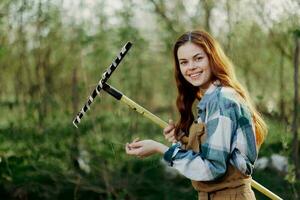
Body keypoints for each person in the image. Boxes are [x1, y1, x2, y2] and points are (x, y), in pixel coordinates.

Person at [125, 30, 267, 200]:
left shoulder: (221, 101)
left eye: (198, 58)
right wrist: (182, 140)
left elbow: (211, 168)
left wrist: (159, 148)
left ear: (212, 58)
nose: (191, 67)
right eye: (184, 62)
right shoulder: (210, 100)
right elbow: (207, 156)